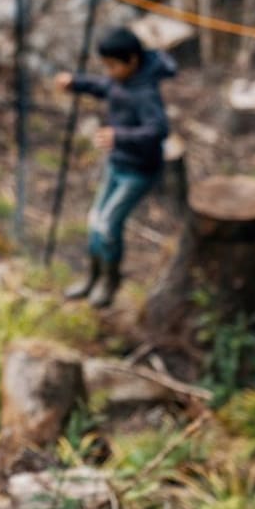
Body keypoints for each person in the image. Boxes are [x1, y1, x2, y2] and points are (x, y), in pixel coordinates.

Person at [55, 26, 176, 308]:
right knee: (94, 220)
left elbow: (158, 130)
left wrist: (119, 136)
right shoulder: (120, 80)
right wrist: (75, 83)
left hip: (139, 171)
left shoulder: (145, 91)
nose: (108, 71)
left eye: (112, 65)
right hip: (117, 163)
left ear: (132, 60)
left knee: (109, 224)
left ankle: (110, 281)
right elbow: (102, 86)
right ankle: (93, 276)